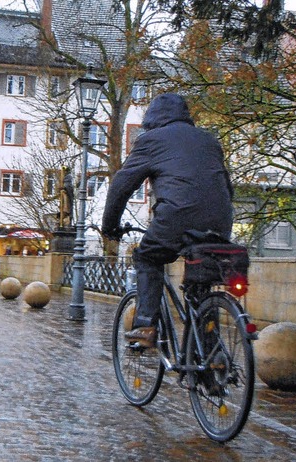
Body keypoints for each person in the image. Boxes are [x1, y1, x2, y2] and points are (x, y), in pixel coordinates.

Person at [102, 93, 234, 348]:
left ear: (152, 118)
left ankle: (145, 324)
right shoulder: (209, 140)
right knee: (201, 284)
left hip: (177, 217)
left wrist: (110, 226)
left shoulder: (151, 140)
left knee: (147, 257)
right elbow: (225, 186)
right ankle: (211, 357)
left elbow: (121, 186)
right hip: (220, 219)